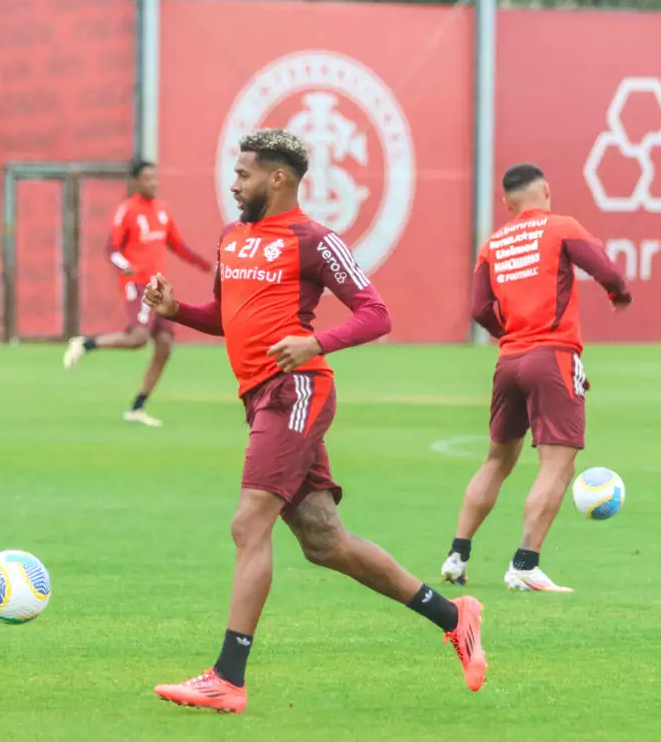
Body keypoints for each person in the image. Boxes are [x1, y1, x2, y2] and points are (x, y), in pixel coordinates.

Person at [142, 129, 487, 714]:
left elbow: (377, 314)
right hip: (261, 397)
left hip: (297, 391)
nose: (234, 183)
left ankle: (227, 677)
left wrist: (314, 343)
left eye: (244, 173)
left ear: (278, 178)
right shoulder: (234, 238)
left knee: (249, 523)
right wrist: (177, 311)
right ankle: (455, 617)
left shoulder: (314, 240)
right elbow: (229, 319)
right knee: (325, 542)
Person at [440, 164, 632, 593]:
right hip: (554, 356)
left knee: (496, 461)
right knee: (558, 465)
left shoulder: (492, 245)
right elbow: (606, 269)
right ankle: (525, 564)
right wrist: (620, 294)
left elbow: (478, 309)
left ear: (507, 202)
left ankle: (457, 555)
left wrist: (508, 334)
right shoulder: (561, 228)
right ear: (546, 190)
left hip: (509, 360)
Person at [62, 159, 212, 427]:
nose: (153, 183)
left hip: (157, 287)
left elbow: (177, 246)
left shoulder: (163, 211)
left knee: (165, 345)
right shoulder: (128, 210)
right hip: (138, 284)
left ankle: (137, 407)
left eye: (155, 178)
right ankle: (85, 343)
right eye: (147, 178)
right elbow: (111, 247)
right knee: (139, 337)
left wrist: (205, 265)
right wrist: (125, 267)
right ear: (135, 182)